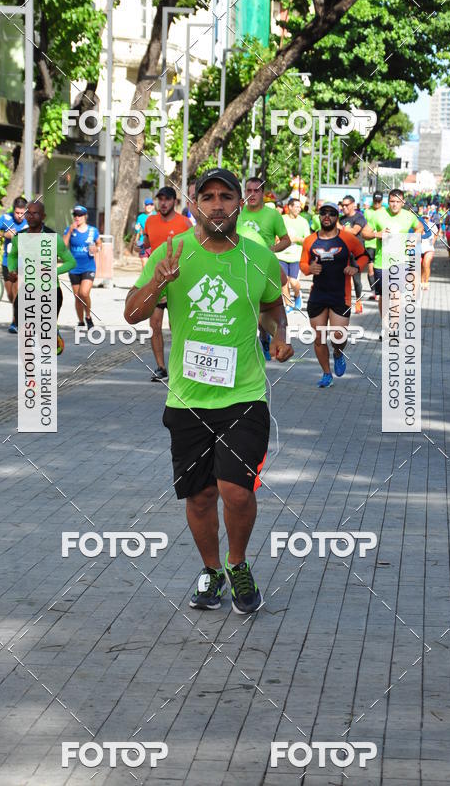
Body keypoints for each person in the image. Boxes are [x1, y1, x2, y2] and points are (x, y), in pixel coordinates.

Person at [124, 168, 293, 613]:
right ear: (195, 203)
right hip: (187, 399)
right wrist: (160, 280)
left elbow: (273, 309)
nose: (217, 204)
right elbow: (131, 314)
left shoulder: (260, 257)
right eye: (208, 196)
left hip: (245, 395)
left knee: (237, 491)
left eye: (226, 196)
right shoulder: (171, 251)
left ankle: (238, 564)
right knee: (199, 496)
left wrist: (278, 334)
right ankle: (211, 569)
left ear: (241, 202)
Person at [300, 202, 368, 388]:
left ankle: (338, 353)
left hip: (340, 294)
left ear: (337, 217)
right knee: (319, 338)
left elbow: (363, 256)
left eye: (331, 213)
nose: (327, 216)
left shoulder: (347, 238)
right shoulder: (310, 240)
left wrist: (355, 267)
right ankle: (326, 373)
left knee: (338, 336)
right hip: (318, 295)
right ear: (319, 216)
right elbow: (303, 264)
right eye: (323, 213)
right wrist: (309, 269)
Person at [7, 201, 76, 355]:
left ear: (43, 216)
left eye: (35, 213)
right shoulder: (19, 237)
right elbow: (12, 256)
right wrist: (12, 270)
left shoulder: (54, 238)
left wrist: (52, 271)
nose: (30, 216)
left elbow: (71, 262)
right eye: (28, 213)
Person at [237, 177, 291, 359]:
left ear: (263, 193)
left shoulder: (272, 215)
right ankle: (253, 342)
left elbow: (286, 240)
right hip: (239, 268)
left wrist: (270, 250)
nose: (251, 194)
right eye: (248, 190)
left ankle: (266, 335)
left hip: (264, 268)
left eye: (256, 190)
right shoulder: (237, 213)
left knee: (265, 307)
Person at [143, 186, 192, 381]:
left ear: (174, 202)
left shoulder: (184, 223)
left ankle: (181, 365)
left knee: (177, 326)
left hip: (179, 280)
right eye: (160, 199)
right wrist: (145, 247)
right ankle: (161, 367)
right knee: (154, 324)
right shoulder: (150, 220)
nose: (163, 203)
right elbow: (147, 241)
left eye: (167, 199)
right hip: (157, 280)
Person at [361, 189, 423, 320]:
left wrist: (413, 239)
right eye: (392, 201)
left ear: (403, 202)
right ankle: (385, 324)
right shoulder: (378, 215)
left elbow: (420, 227)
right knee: (384, 296)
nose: (394, 204)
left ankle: (393, 327)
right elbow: (364, 233)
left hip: (401, 262)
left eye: (397, 201)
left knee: (396, 295)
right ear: (388, 202)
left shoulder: (409, 216)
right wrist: (377, 234)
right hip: (381, 262)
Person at [0, 197, 29, 332]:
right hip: (7, 261)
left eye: (22, 213)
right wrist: (5, 235)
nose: (20, 216)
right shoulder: (5, 218)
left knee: (17, 290)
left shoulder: (31, 221)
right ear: (13, 210)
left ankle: (15, 322)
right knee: (10, 295)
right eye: (17, 213)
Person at [63, 205, 101, 330]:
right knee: (77, 296)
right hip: (74, 268)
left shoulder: (92, 230)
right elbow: (63, 246)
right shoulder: (70, 229)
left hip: (88, 266)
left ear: (85, 216)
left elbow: (99, 244)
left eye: (79, 215)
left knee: (84, 293)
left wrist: (97, 248)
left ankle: (88, 316)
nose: (77, 217)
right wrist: (69, 231)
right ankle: (80, 321)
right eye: (75, 215)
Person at [279, 198, 310, 311]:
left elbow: (307, 240)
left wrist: (297, 239)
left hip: (296, 256)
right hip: (281, 255)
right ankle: (288, 304)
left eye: (299, 206)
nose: (299, 209)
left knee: (293, 281)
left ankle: (297, 295)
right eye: (296, 206)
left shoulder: (303, 222)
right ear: (290, 207)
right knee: (284, 281)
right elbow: (275, 235)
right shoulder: (282, 219)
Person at [340, 195, 366, 314]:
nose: (344, 207)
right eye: (342, 205)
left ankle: (359, 301)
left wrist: (340, 228)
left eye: (346, 205)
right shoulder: (341, 219)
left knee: (356, 280)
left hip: (356, 253)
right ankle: (346, 302)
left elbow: (355, 231)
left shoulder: (359, 217)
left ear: (353, 205)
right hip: (344, 253)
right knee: (343, 279)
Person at [362, 192, 382, 300]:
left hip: (381, 244)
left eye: (379, 202)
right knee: (370, 269)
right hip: (369, 244)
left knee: (379, 269)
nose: (377, 203)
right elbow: (364, 228)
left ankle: (380, 291)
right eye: (375, 201)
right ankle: (374, 292)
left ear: (382, 201)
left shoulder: (385, 212)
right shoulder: (367, 212)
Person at [134, 198, 155, 267]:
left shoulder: (157, 216)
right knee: (144, 264)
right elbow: (137, 231)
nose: (149, 206)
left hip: (154, 243)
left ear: (153, 206)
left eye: (151, 205)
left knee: (153, 265)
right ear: (144, 206)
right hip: (142, 242)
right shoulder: (140, 217)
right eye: (147, 205)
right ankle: (145, 277)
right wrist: (136, 229)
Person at [419, 208, 436, 290]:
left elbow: (436, 234)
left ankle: (426, 282)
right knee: (420, 265)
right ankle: (421, 281)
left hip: (429, 248)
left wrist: (433, 243)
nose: (425, 219)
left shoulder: (433, 225)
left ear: (429, 218)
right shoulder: (418, 225)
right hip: (419, 248)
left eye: (426, 218)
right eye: (423, 218)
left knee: (426, 264)